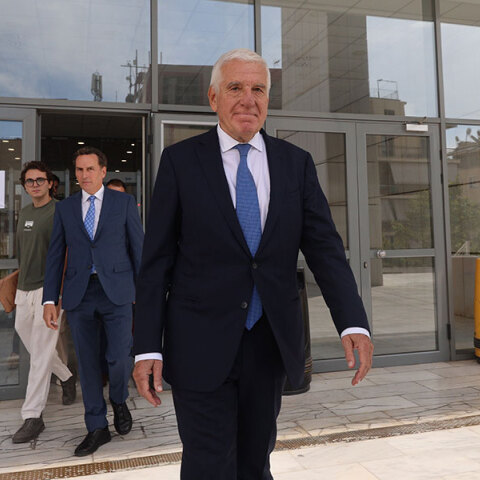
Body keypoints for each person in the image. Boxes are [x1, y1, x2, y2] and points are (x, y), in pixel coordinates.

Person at [132, 48, 374, 479]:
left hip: (268, 343)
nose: (248, 99)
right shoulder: (181, 162)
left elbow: (324, 249)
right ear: (213, 98)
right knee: (208, 465)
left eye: (258, 89)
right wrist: (148, 346)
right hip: (200, 342)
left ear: (268, 98)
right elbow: (156, 263)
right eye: (235, 88)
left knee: (255, 462)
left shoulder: (295, 164)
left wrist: (352, 321)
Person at [42, 147, 144, 457]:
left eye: (90, 169)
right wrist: (50, 299)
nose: (84, 175)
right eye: (79, 170)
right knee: (87, 364)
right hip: (79, 294)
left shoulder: (124, 203)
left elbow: (138, 249)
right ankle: (97, 426)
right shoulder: (65, 208)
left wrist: (146, 295)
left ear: (103, 171)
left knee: (119, 357)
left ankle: (118, 398)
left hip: (118, 292)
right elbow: (55, 255)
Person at [12, 161, 75, 444]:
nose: (35, 185)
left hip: (47, 291)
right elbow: (23, 252)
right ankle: (66, 376)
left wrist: (58, 295)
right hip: (23, 290)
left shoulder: (60, 211)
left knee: (39, 355)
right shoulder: (25, 212)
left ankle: (33, 415)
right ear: (24, 186)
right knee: (35, 345)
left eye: (40, 180)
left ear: (50, 183)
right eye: (30, 181)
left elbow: (68, 253)